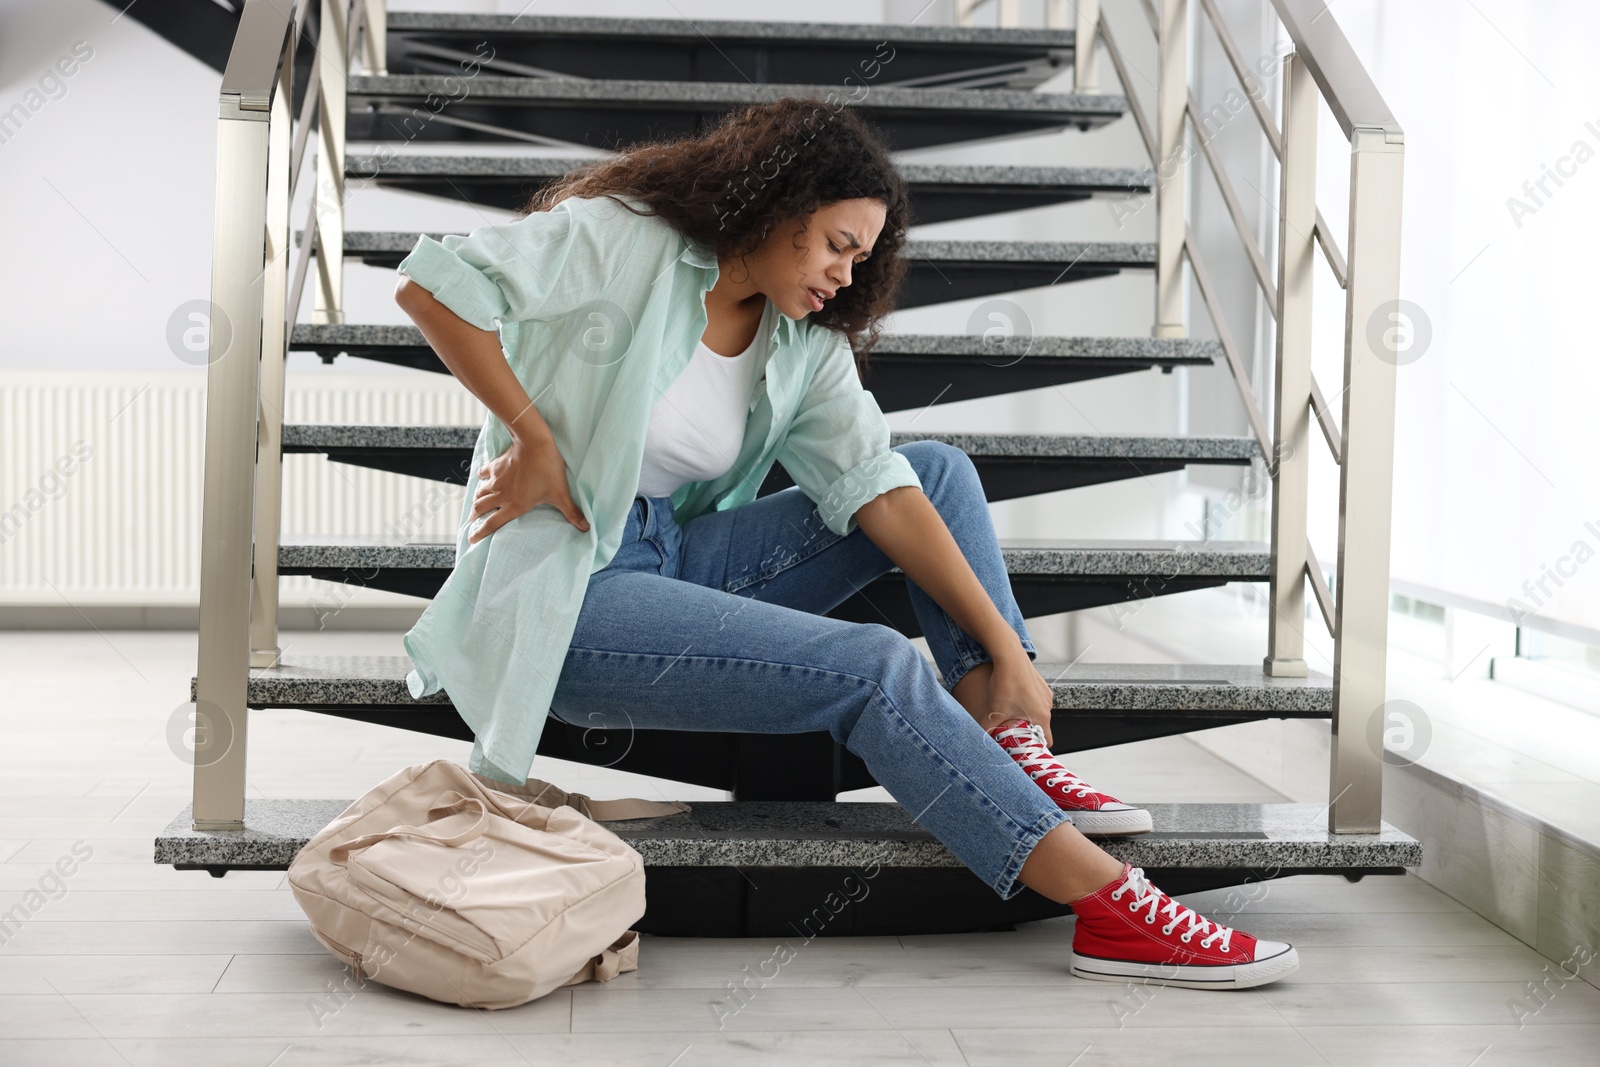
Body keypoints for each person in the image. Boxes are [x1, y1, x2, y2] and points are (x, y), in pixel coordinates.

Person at [392, 98, 1298, 990]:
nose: (845, 275)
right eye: (834, 244)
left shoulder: (800, 343)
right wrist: (531, 435)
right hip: (572, 589)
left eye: (861, 258)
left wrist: (1005, 653)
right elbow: (432, 283)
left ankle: (1008, 737)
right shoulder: (619, 238)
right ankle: (1112, 907)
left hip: (677, 553)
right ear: (777, 202)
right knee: (872, 665)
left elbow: (877, 485)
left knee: (934, 469)